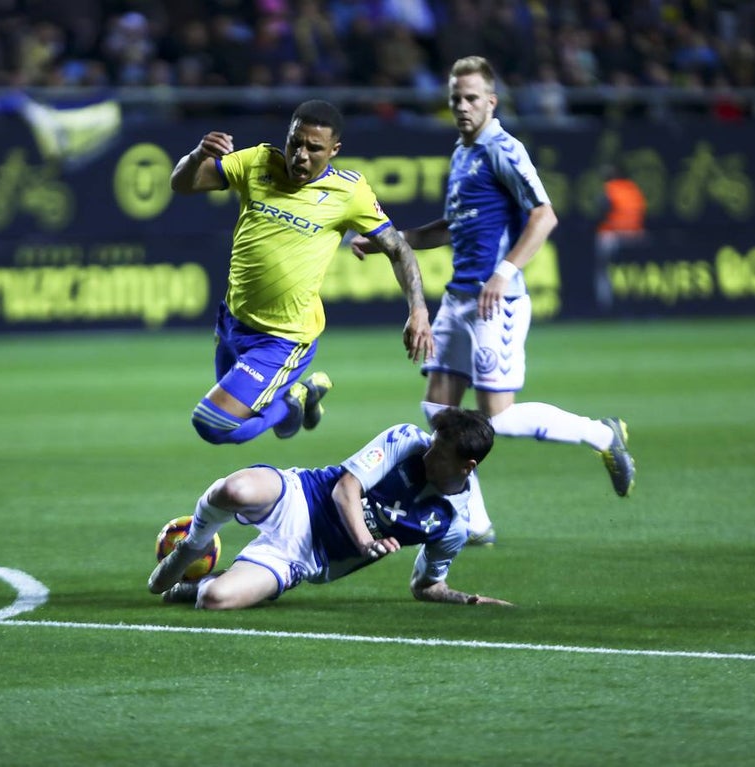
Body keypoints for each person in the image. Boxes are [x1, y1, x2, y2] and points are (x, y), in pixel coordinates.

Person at [352, 56, 636, 545]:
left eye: (471, 98)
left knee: (497, 418)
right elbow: (449, 227)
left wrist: (504, 274)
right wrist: (388, 240)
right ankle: (476, 522)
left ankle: (603, 435)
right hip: (459, 300)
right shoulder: (462, 152)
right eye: (455, 99)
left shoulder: (504, 148)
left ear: (491, 101)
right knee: (438, 413)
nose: (462, 107)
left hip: (493, 305)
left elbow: (544, 217)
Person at [171, 99, 434, 445]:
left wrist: (418, 309)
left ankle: (295, 400)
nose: (301, 155)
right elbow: (182, 184)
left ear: (334, 150)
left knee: (214, 424)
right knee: (268, 424)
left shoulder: (348, 193)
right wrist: (197, 155)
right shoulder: (258, 161)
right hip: (234, 320)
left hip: (282, 339)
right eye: (296, 142)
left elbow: (398, 249)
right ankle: (298, 403)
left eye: (314, 148)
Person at [148, 407, 512, 609]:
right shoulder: (406, 439)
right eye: (433, 445)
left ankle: (198, 586)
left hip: (305, 556)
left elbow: (426, 586)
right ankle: (193, 545)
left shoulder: (452, 524)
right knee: (235, 489)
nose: (429, 454)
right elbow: (345, 490)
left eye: (441, 454)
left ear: (468, 466)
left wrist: (469, 600)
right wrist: (366, 541)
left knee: (215, 599)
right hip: (303, 495)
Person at [594, 161, 647, 310]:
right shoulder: (633, 188)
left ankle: (604, 304)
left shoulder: (610, 189)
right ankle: (637, 300)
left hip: (613, 236)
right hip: (634, 237)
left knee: (602, 270)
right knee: (633, 270)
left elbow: (601, 211)